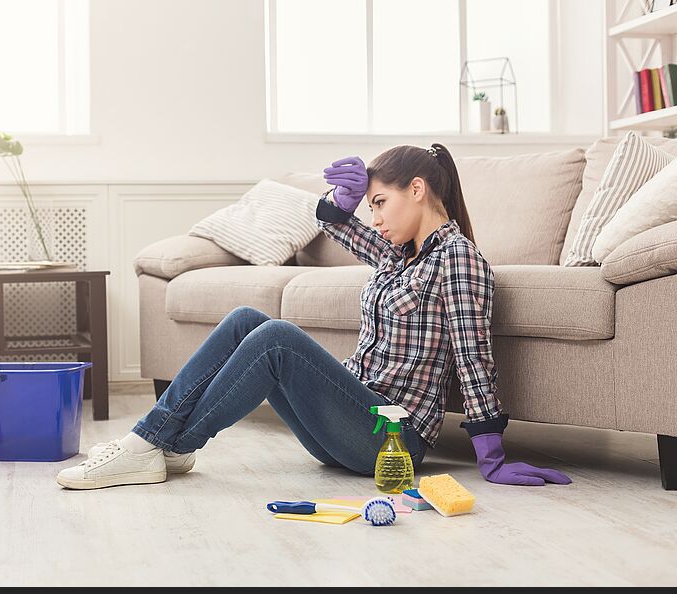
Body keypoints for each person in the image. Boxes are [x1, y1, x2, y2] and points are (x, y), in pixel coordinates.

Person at [56, 143, 572, 490]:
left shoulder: (457, 258)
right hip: (354, 418)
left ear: (417, 190)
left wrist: (491, 455)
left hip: (392, 441)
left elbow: (473, 354)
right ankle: (159, 445)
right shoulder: (404, 254)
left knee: (277, 338)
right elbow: (343, 228)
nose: (375, 217)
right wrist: (338, 202)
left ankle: (156, 445)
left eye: (379, 202)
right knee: (245, 320)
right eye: (369, 206)